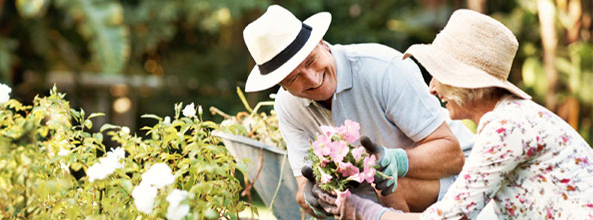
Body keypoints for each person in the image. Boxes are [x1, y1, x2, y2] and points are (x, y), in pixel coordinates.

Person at [314, 9, 593, 220]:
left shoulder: (506, 128)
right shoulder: (506, 120)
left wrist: (362, 209)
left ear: (465, 82)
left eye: (439, 75)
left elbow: (448, 218)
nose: (432, 88)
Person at [241, 5, 476, 217]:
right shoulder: (287, 106)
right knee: (360, 194)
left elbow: (453, 156)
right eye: (293, 78)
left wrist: (398, 160)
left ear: (321, 42)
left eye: (311, 61)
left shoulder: (383, 69)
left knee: (386, 185)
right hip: (378, 199)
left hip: (464, 181)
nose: (312, 79)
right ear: (281, 84)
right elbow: (303, 189)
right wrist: (314, 198)